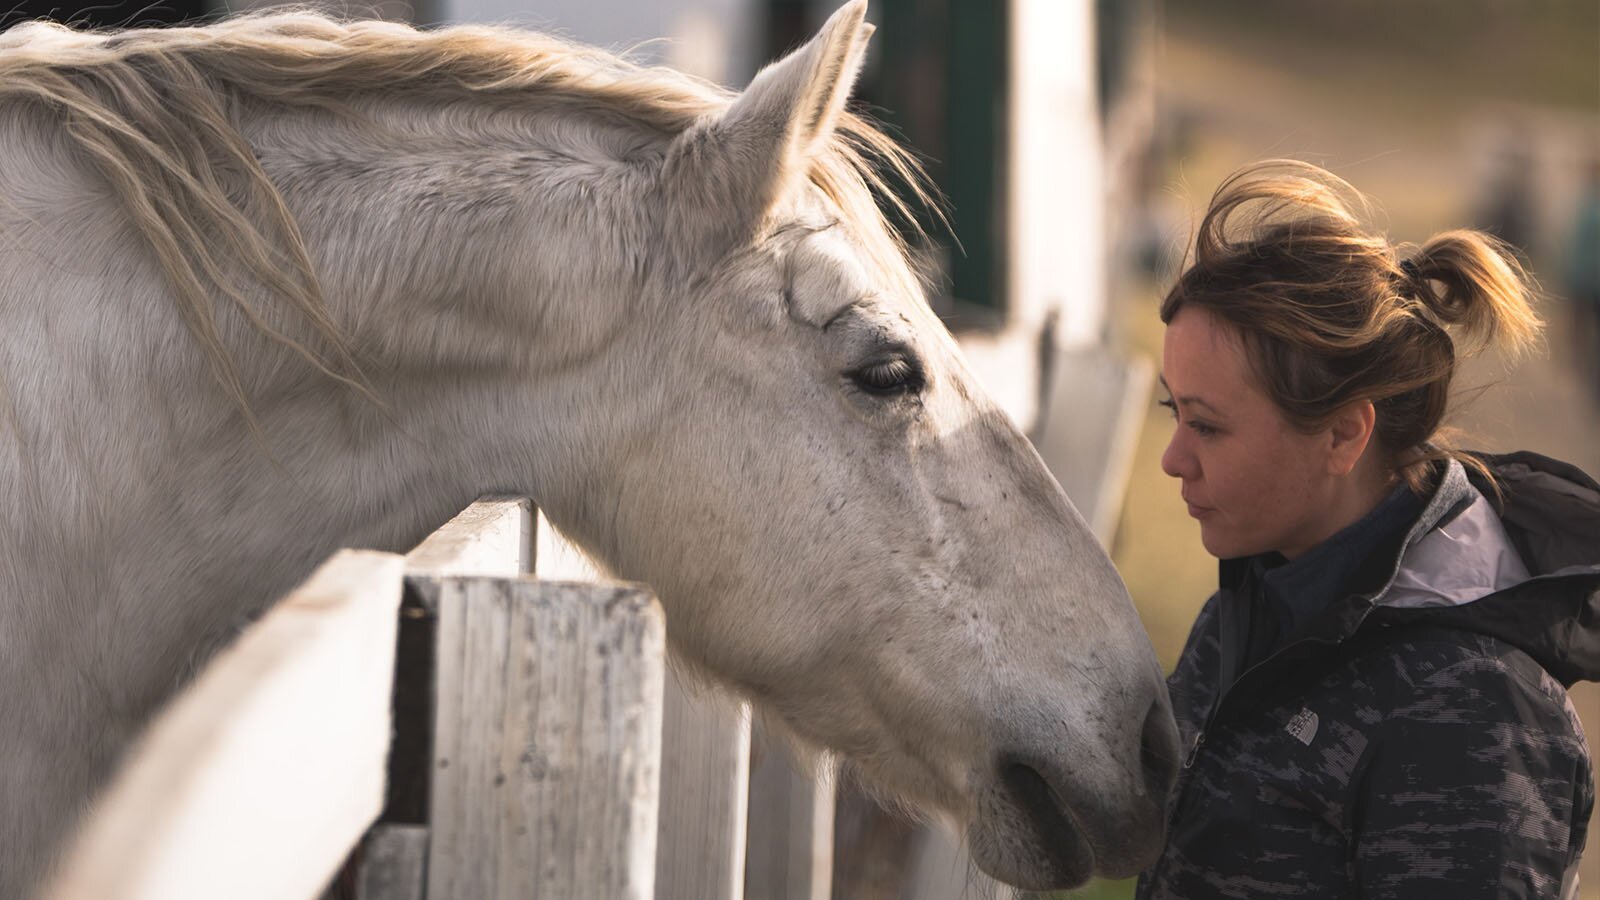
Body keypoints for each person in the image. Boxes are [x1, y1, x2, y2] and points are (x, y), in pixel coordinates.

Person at [1137, 159, 1599, 899]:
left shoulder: (1473, 716)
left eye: (1208, 427)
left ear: (1343, 436)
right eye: (1175, 412)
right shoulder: (1249, 609)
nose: (1172, 460)